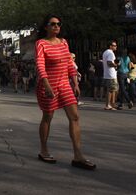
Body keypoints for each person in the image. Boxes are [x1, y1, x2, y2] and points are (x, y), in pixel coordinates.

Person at [35, 14, 95, 170]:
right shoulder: (41, 43)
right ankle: (44, 150)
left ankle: (78, 155)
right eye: (53, 24)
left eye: (59, 24)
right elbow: (40, 66)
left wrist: (75, 83)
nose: (56, 26)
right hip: (49, 85)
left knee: (74, 116)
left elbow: (69, 63)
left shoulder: (64, 43)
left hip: (64, 84)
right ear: (45, 27)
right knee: (48, 117)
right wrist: (46, 85)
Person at [103, 41, 119, 110]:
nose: (116, 47)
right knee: (112, 90)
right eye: (114, 45)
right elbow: (109, 63)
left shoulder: (105, 52)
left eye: (116, 45)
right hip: (111, 74)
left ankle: (111, 104)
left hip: (107, 74)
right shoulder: (110, 53)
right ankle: (109, 105)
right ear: (110, 46)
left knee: (111, 90)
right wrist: (116, 65)